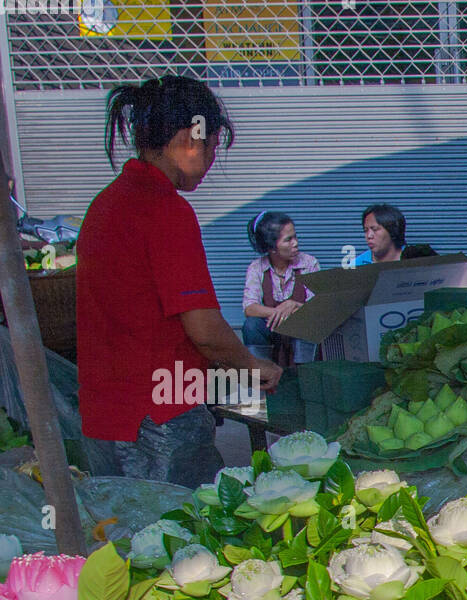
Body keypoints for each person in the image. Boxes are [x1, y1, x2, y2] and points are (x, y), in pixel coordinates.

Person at [77, 76, 281, 488]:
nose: (208, 163)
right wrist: (253, 366)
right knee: (186, 536)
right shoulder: (166, 211)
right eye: (211, 147)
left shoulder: (106, 204)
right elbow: (204, 330)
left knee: (126, 534)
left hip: (106, 411)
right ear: (193, 136)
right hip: (161, 412)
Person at [241, 210, 319, 368]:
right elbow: (250, 308)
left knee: (308, 321)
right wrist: (280, 313)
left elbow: (318, 307)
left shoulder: (309, 263)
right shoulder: (257, 268)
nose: (295, 243)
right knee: (252, 325)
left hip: (301, 332)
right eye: (288, 240)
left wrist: (294, 305)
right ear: (272, 247)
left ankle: (305, 375)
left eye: (295, 237)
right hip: (273, 332)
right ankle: (262, 374)